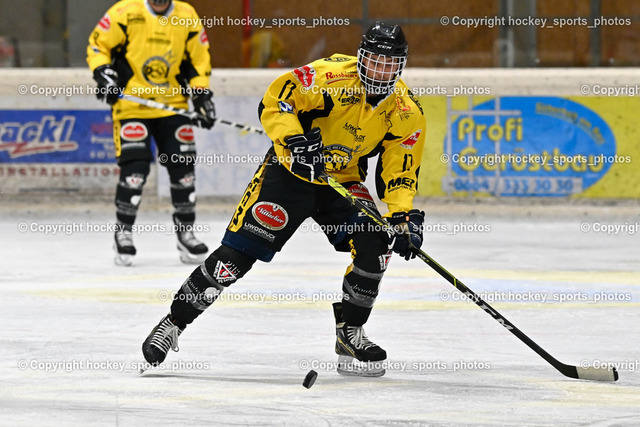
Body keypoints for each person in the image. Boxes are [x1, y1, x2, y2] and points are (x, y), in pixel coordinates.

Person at [142, 21, 426, 377]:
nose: (380, 71)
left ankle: (350, 332)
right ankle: (174, 322)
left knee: (376, 243)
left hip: (341, 182)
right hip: (289, 174)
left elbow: (401, 169)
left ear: (401, 67)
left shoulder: (406, 111)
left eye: (389, 64)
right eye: (374, 61)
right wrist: (293, 140)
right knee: (235, 258)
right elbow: (276, 99)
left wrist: (402, 217)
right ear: (360, 57)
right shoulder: (329, 77)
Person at [87, 0, 216, 266]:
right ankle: (123, 232)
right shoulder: (125, 12)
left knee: (183, 170)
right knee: (134, 171)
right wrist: (103, 72)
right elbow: (98, 45)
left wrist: (201, 94)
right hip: (132, 106)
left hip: (173, 105)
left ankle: (186, 233)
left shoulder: (186, 14)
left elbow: (198, 58)